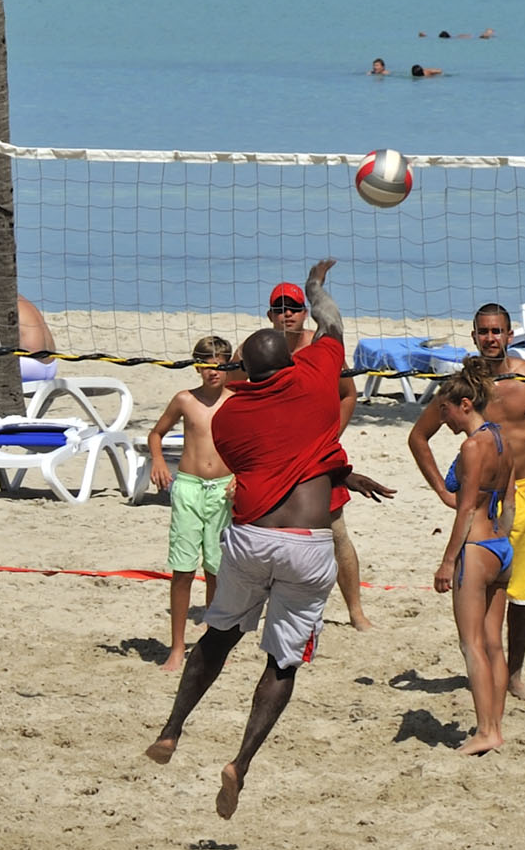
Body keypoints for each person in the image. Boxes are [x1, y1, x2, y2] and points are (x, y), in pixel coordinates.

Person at [145, 262, 391, 818]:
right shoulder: (318, 372)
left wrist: (332, 465)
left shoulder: (230, 418)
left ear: (245, 374)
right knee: (283, 663)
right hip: (307, 542)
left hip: (252, 538)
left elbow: (264, 460)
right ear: (292, 358)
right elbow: (332, 322)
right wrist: (315, 289)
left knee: (220, 635)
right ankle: (241, 763)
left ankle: (174, 727)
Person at [405, 301, 525, 693]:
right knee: (480, 589)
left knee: (523, 595)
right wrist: (441, 490)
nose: (491, 338)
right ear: (474, 337)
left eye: (497, 331)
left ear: (509, 335)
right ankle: (486, 669)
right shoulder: (464, 389)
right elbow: (418, 437)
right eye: (483, 332)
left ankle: (515, 674)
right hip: (484, 503)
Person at [266, 268, 372, 630]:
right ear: (270, 316)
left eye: (294, 307)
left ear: (304, 312)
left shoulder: (319, 347)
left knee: (337, 533)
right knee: (265, 535)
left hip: (316, 456)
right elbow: (233, 395)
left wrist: (330, 437)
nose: (287, 314)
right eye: (280, 309)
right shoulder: (259, 349)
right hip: (273, 458)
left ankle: (356, 612)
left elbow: (348, 394)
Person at [433, 374, 513, 755]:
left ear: (465, 405)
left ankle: (485, 731)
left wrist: (448, 562)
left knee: (472, 644)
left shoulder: (472, 446)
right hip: (500, 545)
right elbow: (509, 502)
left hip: (476, 547)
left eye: (445, 409)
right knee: (495, 644)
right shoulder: (502, 440)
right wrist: (504, 544)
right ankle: (495, 725)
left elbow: (465, 509)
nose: (442, 418)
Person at [147, 336, 238, 672]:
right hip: (188, 487)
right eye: (206, 363)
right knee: (183, 569)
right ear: (197, 366)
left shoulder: (235, 402)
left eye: (220, 363)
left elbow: (248, 447)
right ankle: (176, 647)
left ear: (229, 365)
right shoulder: (185, 400)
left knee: (216, 568)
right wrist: (158, 461)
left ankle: (211, 642)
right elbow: (155, 433)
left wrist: (239, 476)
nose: (213, 370)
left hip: (222, 491)